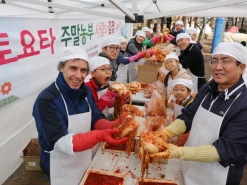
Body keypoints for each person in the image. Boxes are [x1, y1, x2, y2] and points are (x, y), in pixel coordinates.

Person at [151, 42, 247, 185]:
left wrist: (179, 153)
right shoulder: (208, 88)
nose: (218, 67)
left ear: (241, 67)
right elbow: (189, 115)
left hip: (218, 176)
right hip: (190, 164)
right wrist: (166, 133)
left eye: (226, 61)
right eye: (214, 61)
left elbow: (225, 149)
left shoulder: (243, 103)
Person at [32, 46, 127, 185]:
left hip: (83, 156)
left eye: (83, 70)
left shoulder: (85, 91)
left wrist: (113, 126)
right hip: (58, 165)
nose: (78, 75)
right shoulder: (46, 100)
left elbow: (95, 118)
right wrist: (100, 135)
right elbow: (60, 142)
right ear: (61, 67)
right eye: (73, 68)